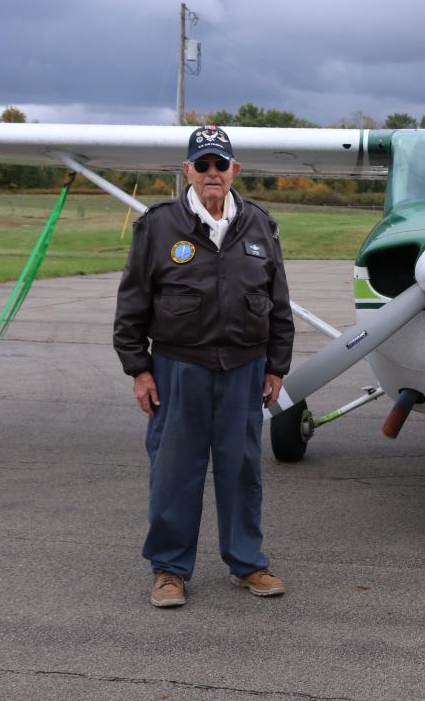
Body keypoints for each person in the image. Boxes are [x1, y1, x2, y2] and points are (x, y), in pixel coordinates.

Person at [114, 124, 295, 608]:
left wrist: (276, 366)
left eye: (220, 164)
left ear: (234, 170)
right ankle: (170, 569)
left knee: (242, 469)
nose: (212, 173)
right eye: (203, 165)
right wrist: (139, 368)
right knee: (175, 470)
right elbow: (132, 303)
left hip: (244, 367)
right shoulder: (157, 226)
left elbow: (278, 302)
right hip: (177, 367)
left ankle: (247, 562)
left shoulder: (260, 225)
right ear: (187, 171)